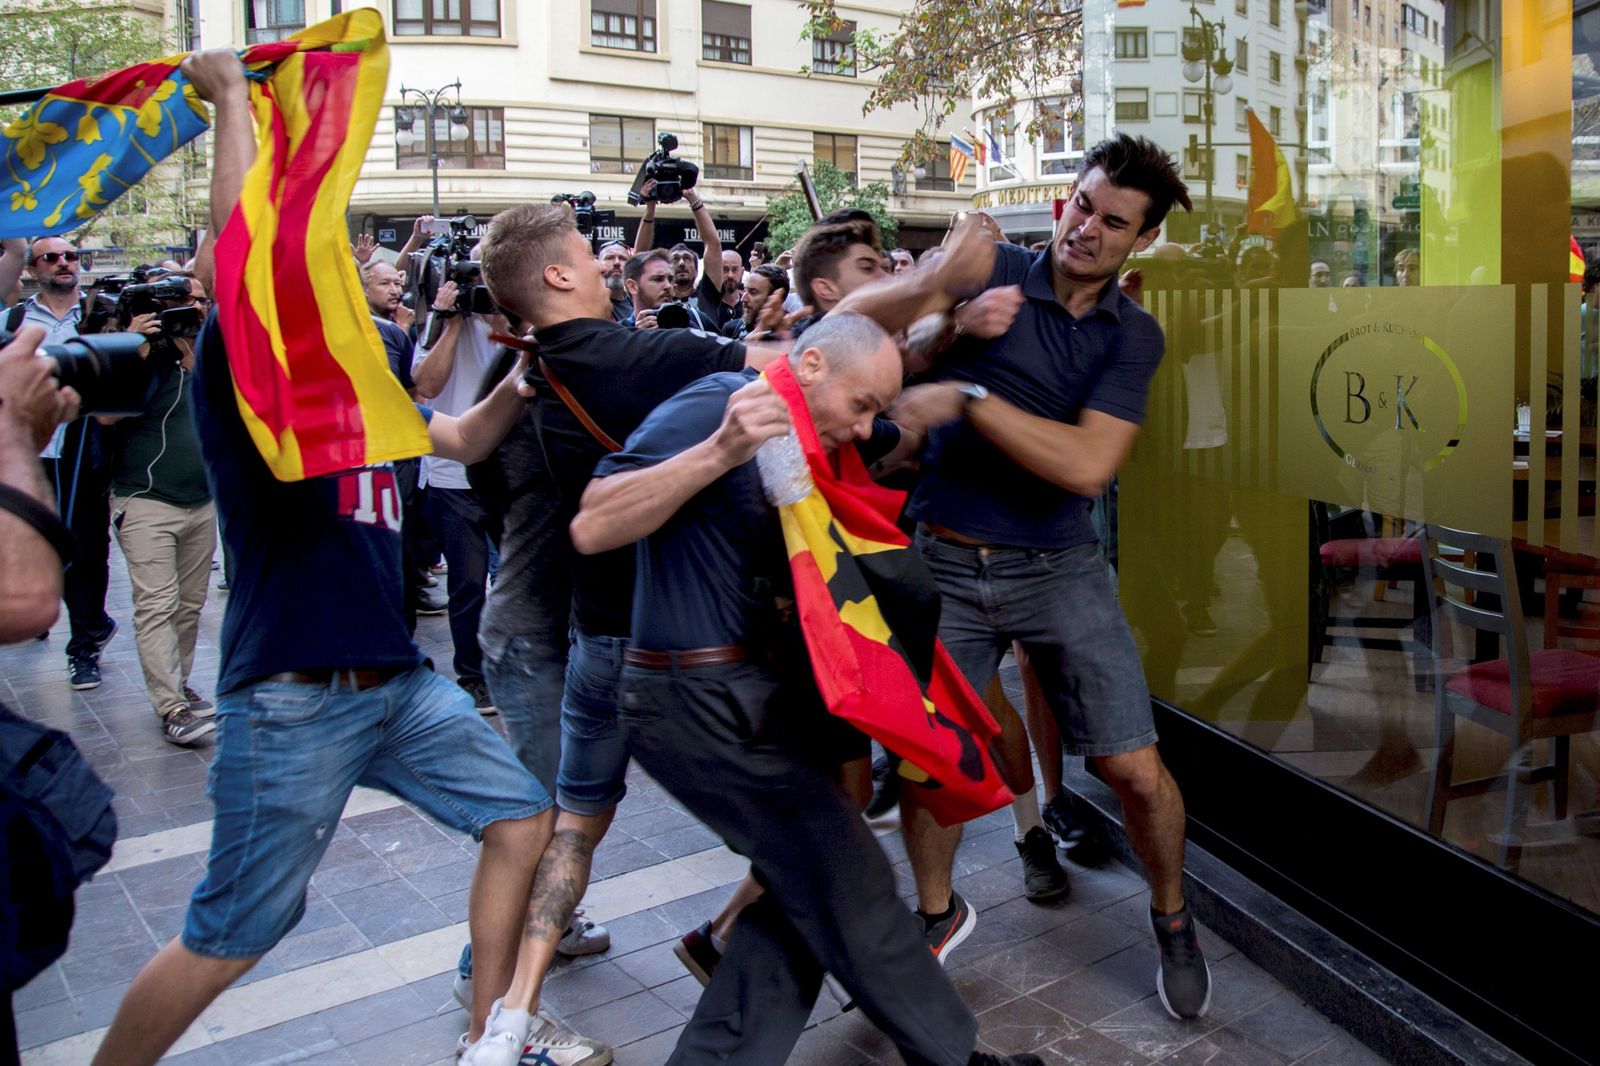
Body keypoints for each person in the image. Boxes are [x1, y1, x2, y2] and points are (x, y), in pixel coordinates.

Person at [91, 49, 567, 1066]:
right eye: (326, 260)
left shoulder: (376, 375)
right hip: (294, 696)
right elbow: (241, 259)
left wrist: (525, 377)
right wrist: (229, 103)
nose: (346, 268)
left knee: (522, 816)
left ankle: (492, 1039)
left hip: (395, 683)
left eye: (352, 259)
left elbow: (463, 441)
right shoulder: (247, 369)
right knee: (235, 934)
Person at [567, 310, 1039, 1066]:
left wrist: (948, 379)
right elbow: (594, 525)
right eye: (861, 406)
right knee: (849, 878)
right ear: (811, 366)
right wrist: (721, 449)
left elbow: (896, 427)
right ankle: (958, 1061)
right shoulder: (723, 400)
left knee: (805, 893)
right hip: (696, 697)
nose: (863, 429)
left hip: (746, 698)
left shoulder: (802, 435)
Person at [891, 133, 1215, 1020]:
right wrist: (951, 328)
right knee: (931, 761)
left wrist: (972, 396)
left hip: (1058, 565)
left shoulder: (1132, 336)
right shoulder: (988, 265)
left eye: (1113, 222)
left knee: (1134, 770)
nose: (1086, 228)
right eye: (1081, 204)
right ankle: (934, 914)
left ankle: (1172, 915)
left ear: (1139, 241)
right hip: (944, 558)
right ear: (1066, 196)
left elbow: (1084, 466)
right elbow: (892, 362)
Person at [454, 200, 775, 1065]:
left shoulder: (535, 371)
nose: (609, 264)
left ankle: (511, 1004)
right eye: (588, 256)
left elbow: (457, 441)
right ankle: (484, 989)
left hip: (578, 628)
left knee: (565, 818)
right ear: (557, 277)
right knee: (533, 818)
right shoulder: (607, 361)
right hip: (562, 631)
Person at [100, 274, 219, 745]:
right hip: (145, 499)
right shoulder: (140, 353)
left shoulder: (208, 355)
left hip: (202, 501)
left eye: (200, 301)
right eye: (185, 302)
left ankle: (180, 687)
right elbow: (107, 415)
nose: (196, 309)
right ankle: (170, 706)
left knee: (189, 606)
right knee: (157, 605)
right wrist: (135, 346)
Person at [7, 237, 119, 691]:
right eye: (50, 258)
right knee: (35, 543)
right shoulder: (13, 321)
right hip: (31, 456)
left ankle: (85, 644)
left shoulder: (102, 318)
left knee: (87, 553)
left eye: (71, 256)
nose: (63, 263)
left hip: (83, 455)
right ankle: (47, 609)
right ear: (33, 269)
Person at [411, 278, 508, 713]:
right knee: (469, 582)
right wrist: (450, 320)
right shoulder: (438, 324)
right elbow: (426, 385)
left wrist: (499, 314)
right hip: (453, 477)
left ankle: (518, 663)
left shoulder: (506, 322)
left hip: (505, 475)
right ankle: (473, 674)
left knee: (514, 576)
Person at [361, 259, 448, 621]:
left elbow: (416, 394)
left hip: (396, 460)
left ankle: (403, 615)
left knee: (400, 539)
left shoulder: (393, 332)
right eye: (385, 284)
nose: (396, 290)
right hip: (350, 467)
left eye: (397, 282)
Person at [723, 263, 789, 340]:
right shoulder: (731, 329)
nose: (743, 299)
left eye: (753, 292)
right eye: (745, 290)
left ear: (775, 297)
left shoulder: (795, 331)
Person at [618, 250, 675, 330]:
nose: (668, 286)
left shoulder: (692, 320)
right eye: (658, 279)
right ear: (632, 286)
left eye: (670, 280)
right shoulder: (617, 334)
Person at [598, 240, 633, 322]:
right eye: (609, 258)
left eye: (622, 258)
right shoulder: (586, 303)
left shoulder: (637, 302)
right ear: (597, 264)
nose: (617, 263)